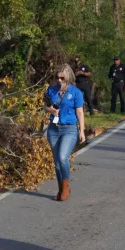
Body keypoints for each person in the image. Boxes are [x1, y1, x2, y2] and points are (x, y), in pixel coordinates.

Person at [45, 64, 87, 201]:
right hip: (54, 128)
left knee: (63, 157)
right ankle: (61, 189)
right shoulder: (51, 90)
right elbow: (45, 105)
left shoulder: (76, 93)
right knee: (57, 161)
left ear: (68, 77)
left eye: (62, 78)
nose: (59, 81)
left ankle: (67, 186)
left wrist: (82, 131)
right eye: (57, 78)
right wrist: (50, 110)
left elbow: (80, 112)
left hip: (69, 129)